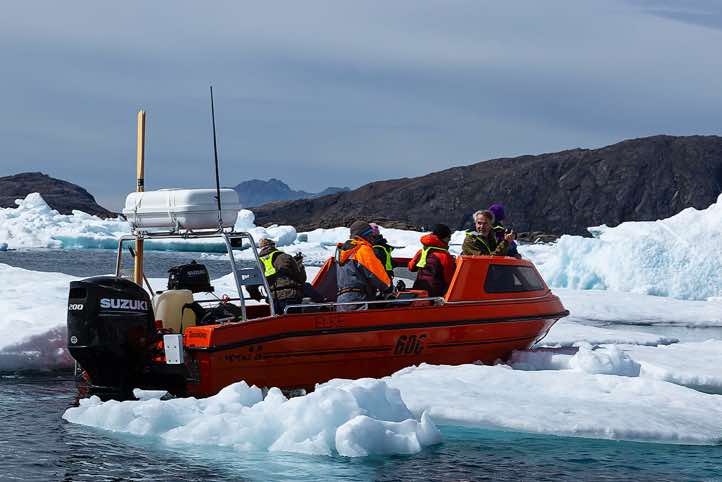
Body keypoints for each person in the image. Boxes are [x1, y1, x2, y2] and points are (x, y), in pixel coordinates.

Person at [336, 220, 393, 311]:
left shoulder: (343, 251)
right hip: (359, 301)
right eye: (370, 234)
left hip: (342, 302)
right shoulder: (363, 249)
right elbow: (378, 275)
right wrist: (389, 288)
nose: (372, 238)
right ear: (364, 235)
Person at [248, 238, 307, 314]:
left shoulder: (259, 263)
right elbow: (301, 278)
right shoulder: (286, 257)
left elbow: (250, 284)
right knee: (293, 322)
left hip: (273, 298)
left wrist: (256, 295)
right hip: (291, 295)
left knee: (279, 322)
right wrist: (299, 264)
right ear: (273, 246)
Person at [408, 224, 456, 297]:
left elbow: (411, 267)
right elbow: (450, 278)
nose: (450, 239)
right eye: (449, 236)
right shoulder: (444, 256)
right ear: (443, 238)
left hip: (418, 290)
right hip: (435, 293)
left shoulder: (422, 251)